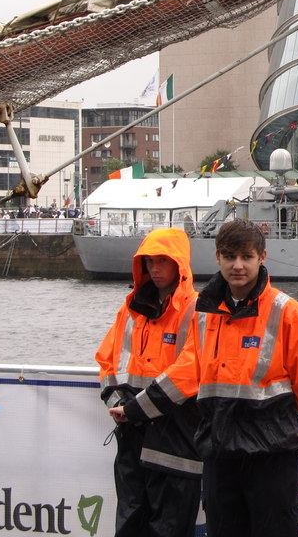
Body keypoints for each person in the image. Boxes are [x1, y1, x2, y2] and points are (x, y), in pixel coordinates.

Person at [110, 219, 298, 537]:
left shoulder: (288, 313)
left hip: (270, 459)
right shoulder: (203, 315)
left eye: (246, 257)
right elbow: (188, 372)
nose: (238, 265)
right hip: (219, 456)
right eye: (229, 257)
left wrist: (281, 430)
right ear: (218, 258)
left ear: (261, 258)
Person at [95, 227, 201, 537]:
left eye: (162, 261)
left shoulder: (197, 311)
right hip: (132, 438)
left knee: (169, 527)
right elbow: (108, 360)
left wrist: (134, 409)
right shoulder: (131, 310)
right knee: (130, 521)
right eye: (149, 262)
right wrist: (117, 403)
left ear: (179, 265)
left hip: (175, 441)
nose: (154, 269)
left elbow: (189, 372)